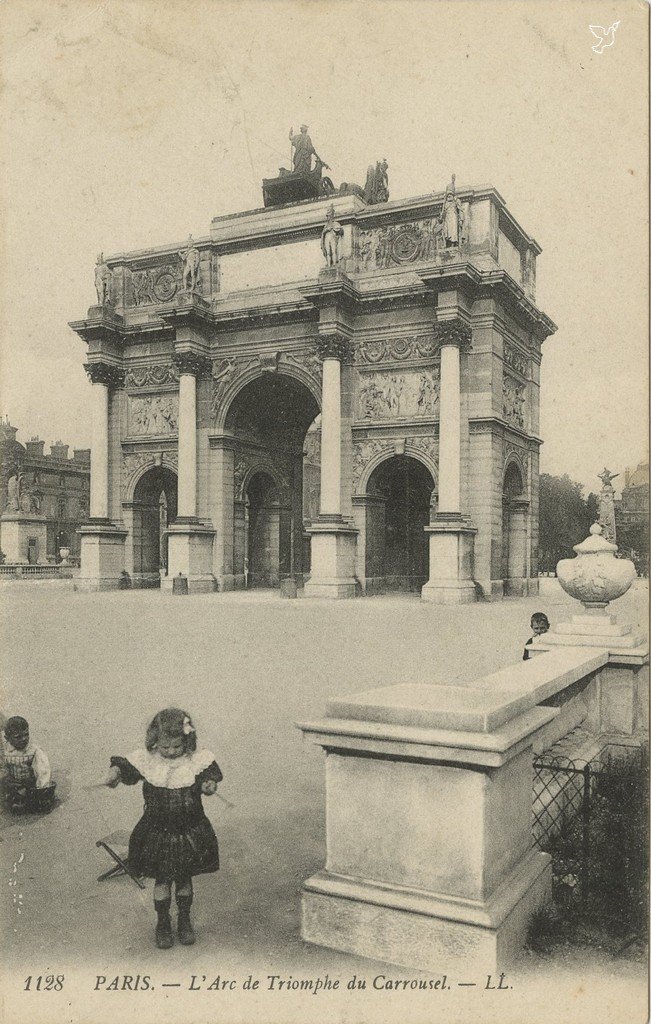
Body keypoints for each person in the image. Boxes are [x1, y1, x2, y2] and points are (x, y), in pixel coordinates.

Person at [104, 708, 222, 949]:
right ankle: (163, 923)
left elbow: (210, 778)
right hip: (157, 833)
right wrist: (114, 773)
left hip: (189, 831)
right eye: (164, 747)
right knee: (162, 881)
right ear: (154, 741)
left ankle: (185, 920)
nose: (170, 752)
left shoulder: (195, 761)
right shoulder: (148, 761)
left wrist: (209, 786)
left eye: (176, 747)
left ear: (186, 741)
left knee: (184, 879)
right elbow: (125, 769)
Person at [2, 716, 56, 813]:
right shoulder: (4, 751)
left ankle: (33, 801)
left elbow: (43, 770)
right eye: (18, 737)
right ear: (7, 738)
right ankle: (16, 800)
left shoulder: (33, 750)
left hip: (29, 783)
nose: (24, 739)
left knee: (37, 800)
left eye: (26, 734)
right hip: (13, 783)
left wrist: (42, 785)